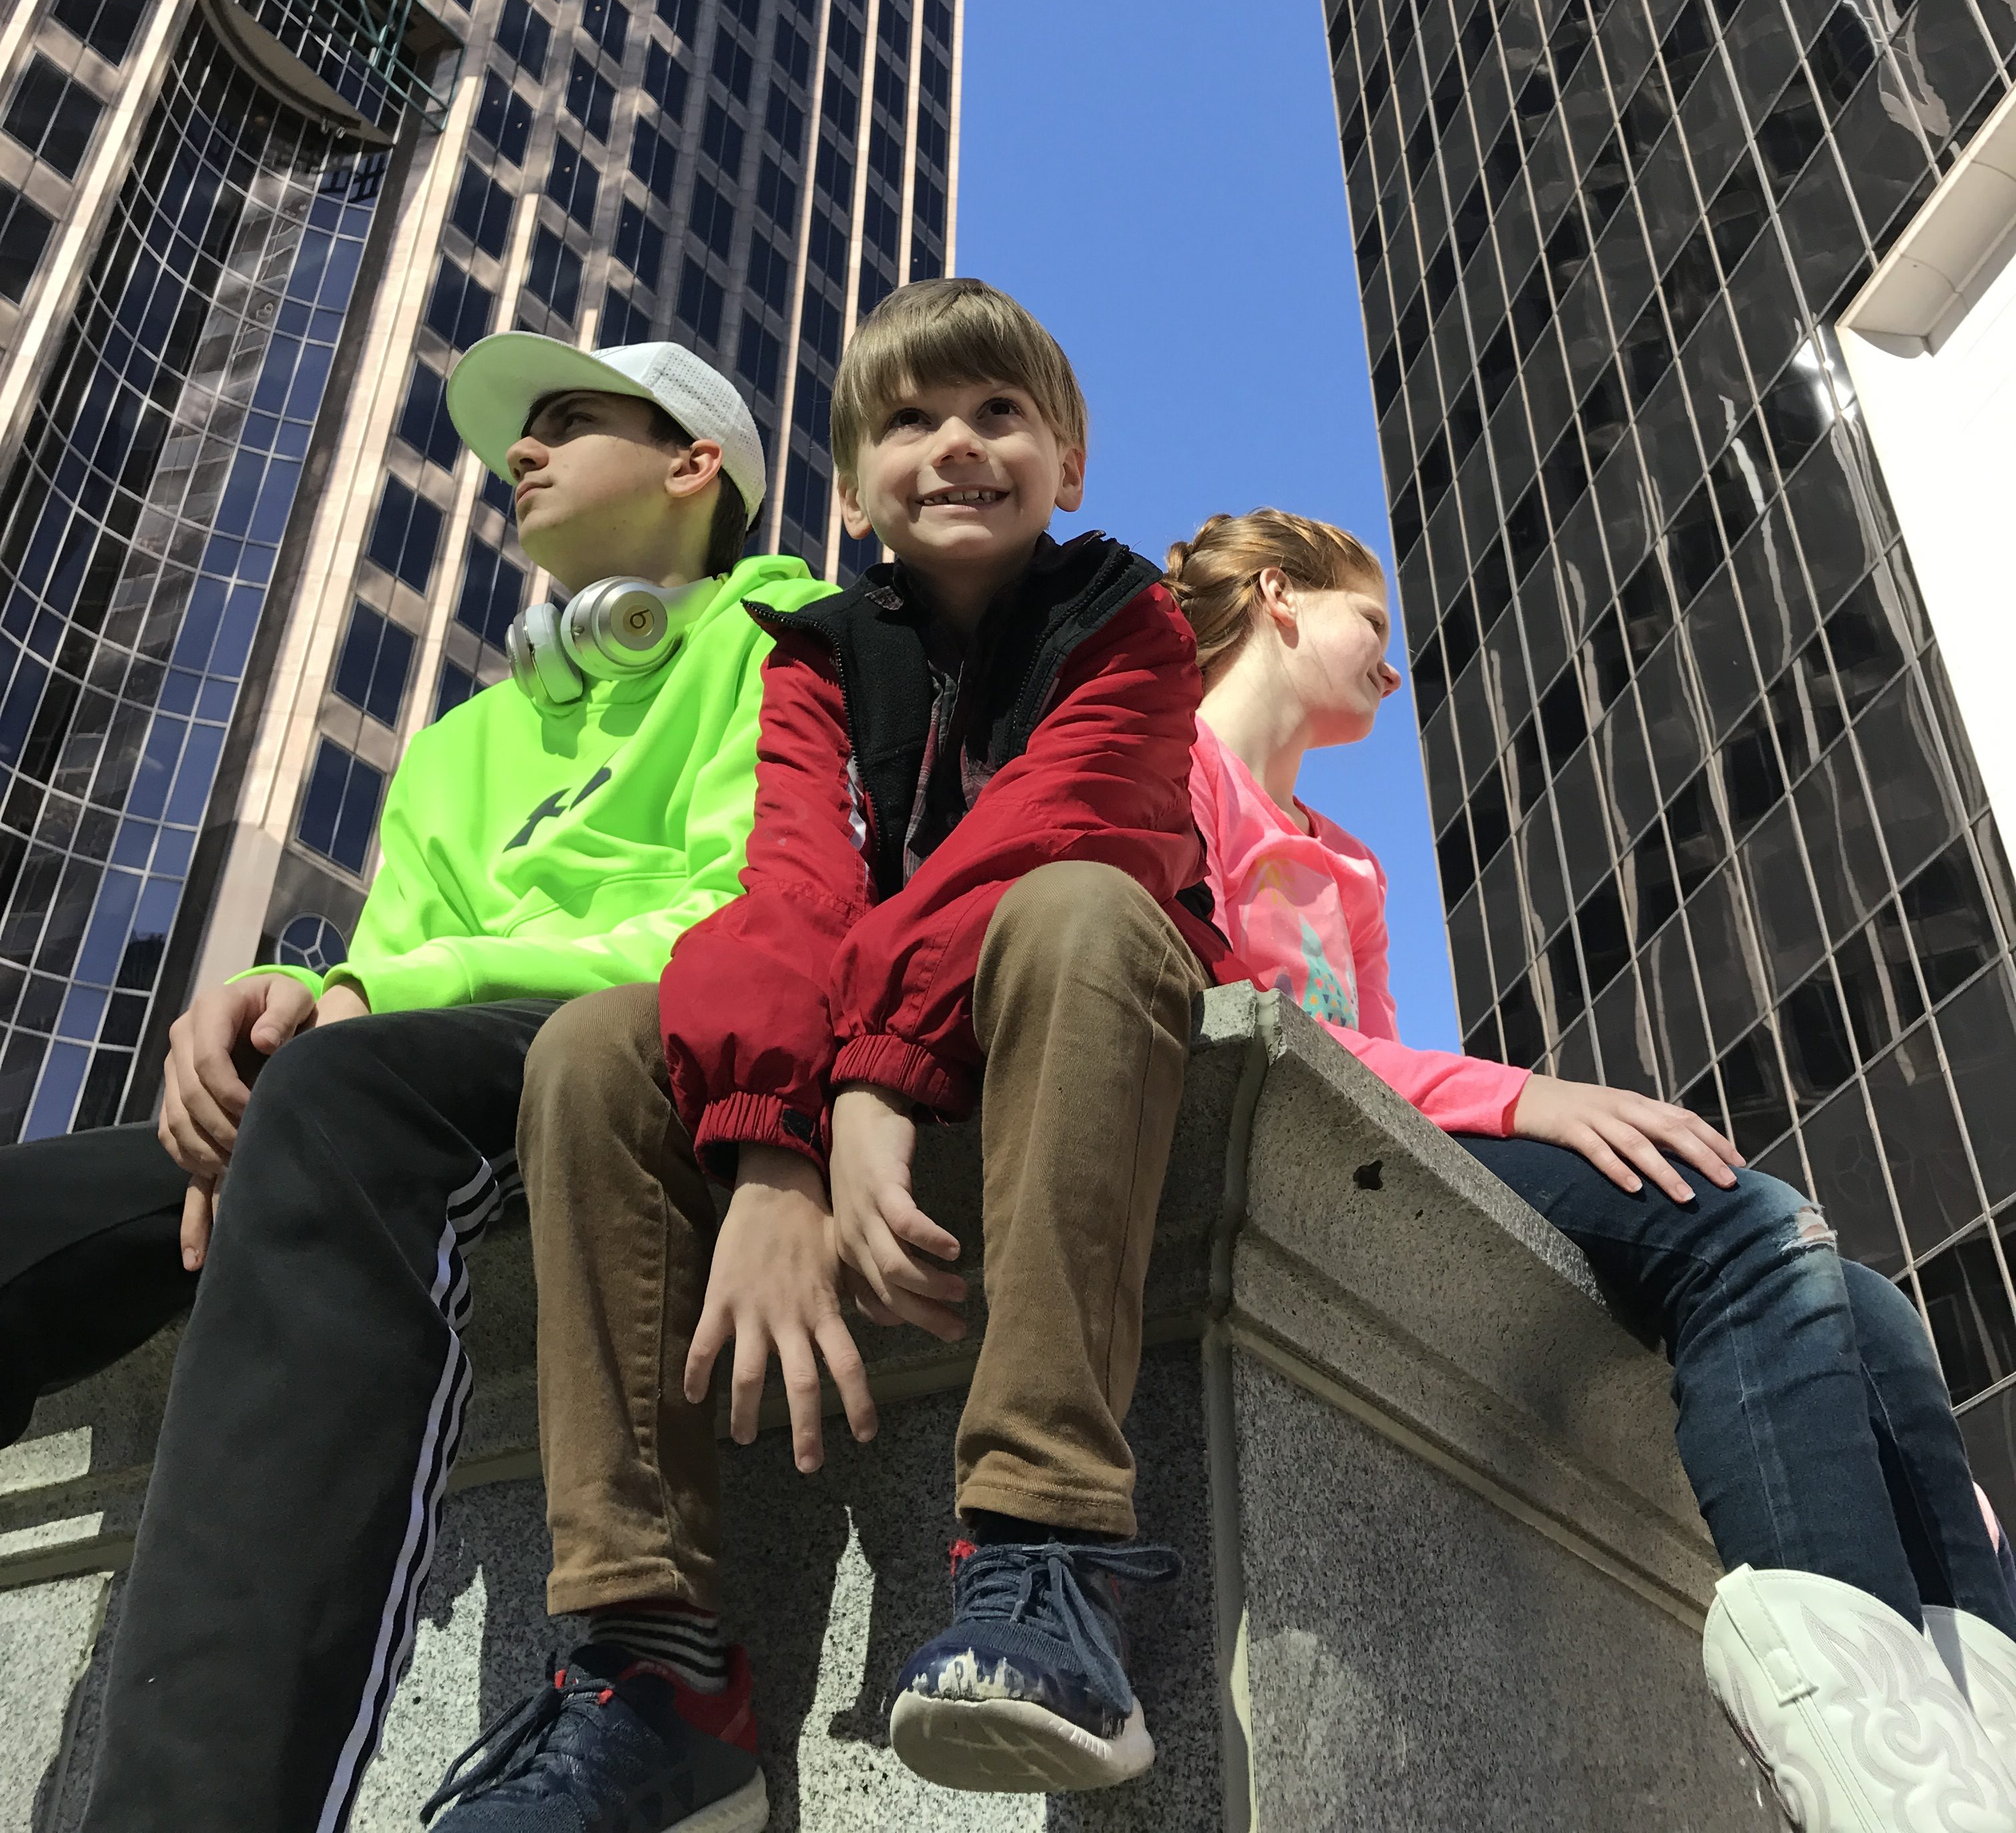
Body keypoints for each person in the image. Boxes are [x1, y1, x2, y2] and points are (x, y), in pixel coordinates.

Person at [0, 332, 830, 1833]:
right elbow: (387, 963)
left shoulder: (789, 641)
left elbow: (743, 919)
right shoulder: (461, 741)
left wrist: (370, 1008)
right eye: (521, 434)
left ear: (695, 464)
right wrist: (285, 1010)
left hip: (630, 1047)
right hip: (409, 1065)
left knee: (341, 1104)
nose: (522, 452)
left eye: (566, 419)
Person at [425, 278, 1227, 1828]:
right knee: (594, 1048)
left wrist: (869, 1085)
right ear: (852, 490)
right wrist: (770, 1145)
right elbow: (790, 891)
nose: (957, 445)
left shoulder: (1131, 624)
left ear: (1068, 460)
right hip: (864, 1039)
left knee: (1075, 905)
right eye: (909, 421)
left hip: (1052, 998)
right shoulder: (815, 655)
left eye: (1000, 413)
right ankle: (653, 1667)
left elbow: (1048, 836)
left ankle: (1049, 1552)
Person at [1165, 503, 2016, 1832]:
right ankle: (1894, 1796)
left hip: (1387, 1145)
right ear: (1279, 595)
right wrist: (1532, 1097)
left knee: (1871, 1312)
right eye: (1370, 621)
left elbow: (1382, 1061)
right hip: (1270, 1144)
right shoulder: (1176, 765)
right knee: (1747, 1227)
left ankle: (1978, 1759)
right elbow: (1259, 1029)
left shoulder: (1351, 862)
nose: (1393, 660)